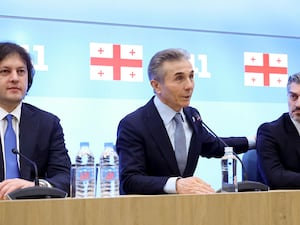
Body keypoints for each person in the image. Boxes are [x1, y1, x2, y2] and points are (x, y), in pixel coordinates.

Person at [116, 48, 255, 195]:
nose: (189, 85)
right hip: (148, 212)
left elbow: (215, 146)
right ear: (156, 85)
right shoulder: (134, 124)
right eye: (179, 78)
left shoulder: (192, 116)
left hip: (187, 210)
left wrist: (255, 140)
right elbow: (130, 180)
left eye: (191, 76)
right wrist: (176, 185)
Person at [0, 42, 71, 199]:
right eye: (5, 71)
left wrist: (35, 187)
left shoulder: (48, 124)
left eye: (21, 71)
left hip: (35, 214)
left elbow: (64, 178)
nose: (14, 78)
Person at [256, 72, 300, 189]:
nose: (298, 104)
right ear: (287, 97)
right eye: (293, 97)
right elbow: (275, 178)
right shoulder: (270, 132)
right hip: (286, 203)